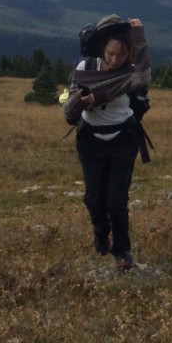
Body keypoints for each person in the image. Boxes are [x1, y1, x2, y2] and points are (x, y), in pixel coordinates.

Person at [61, 15, 152, 271]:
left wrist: (140, 37)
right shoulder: (85, 68)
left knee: (116, 199)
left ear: (128, 54)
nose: (114, 60)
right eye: (111, 54)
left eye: (121, 56)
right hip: (91, 141)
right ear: (102, 48)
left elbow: (144, 77)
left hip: (123, 139)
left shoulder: (130, 73)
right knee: (94, 198)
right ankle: (101, 233)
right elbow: (69, 114)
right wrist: (81, 101)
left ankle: (122, 251)